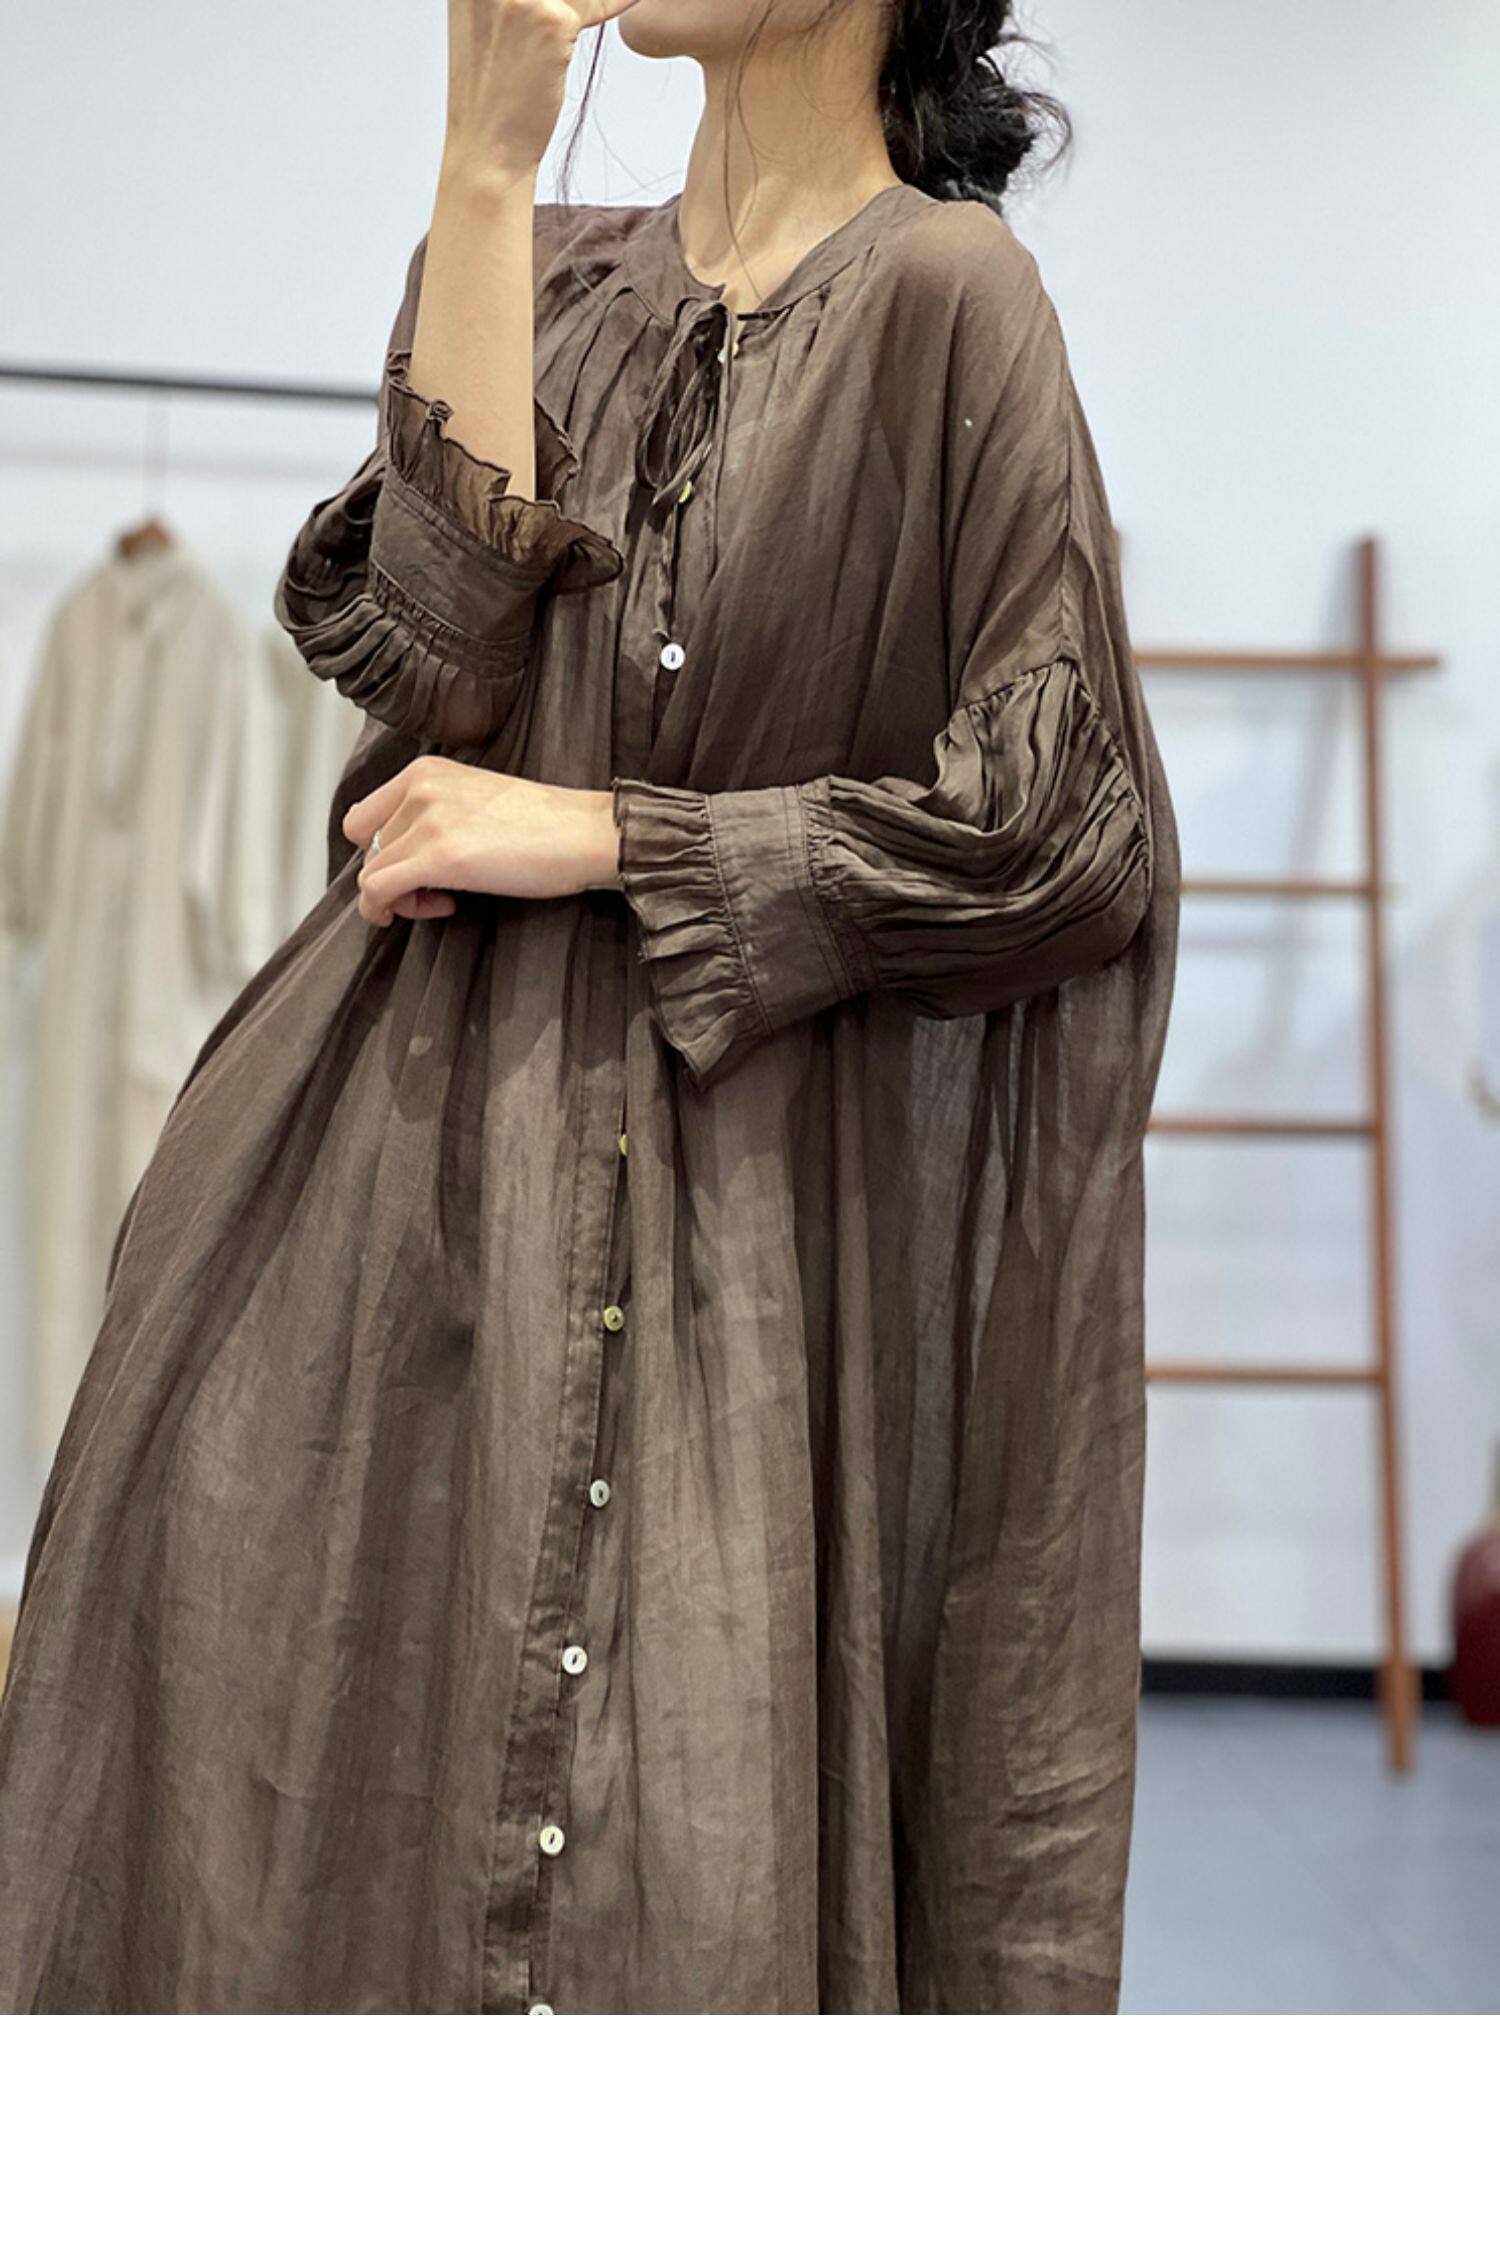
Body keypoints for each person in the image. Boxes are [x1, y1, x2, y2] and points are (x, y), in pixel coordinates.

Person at [0, 0, 1180, 2014]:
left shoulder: (950, 300)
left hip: (735, 1260)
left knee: (682, 1880)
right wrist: (483, 162)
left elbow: (1060, 829)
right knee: (299, 1845)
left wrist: (611, 834)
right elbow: (430, 670)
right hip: (391, 1224)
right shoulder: (538, 268)